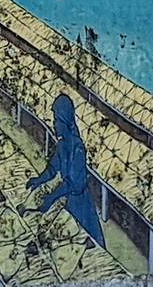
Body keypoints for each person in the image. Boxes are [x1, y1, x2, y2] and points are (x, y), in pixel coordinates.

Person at [27, 95, 106, 247]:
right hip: (68, 200)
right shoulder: (63, 145)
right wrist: (38, 180)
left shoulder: (77, 148)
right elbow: (52, 169)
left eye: (56, 120)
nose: (54, 125)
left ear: (65, 121)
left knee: (88, 241)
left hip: (81, 204)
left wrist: (51, 198)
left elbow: (73, 183)